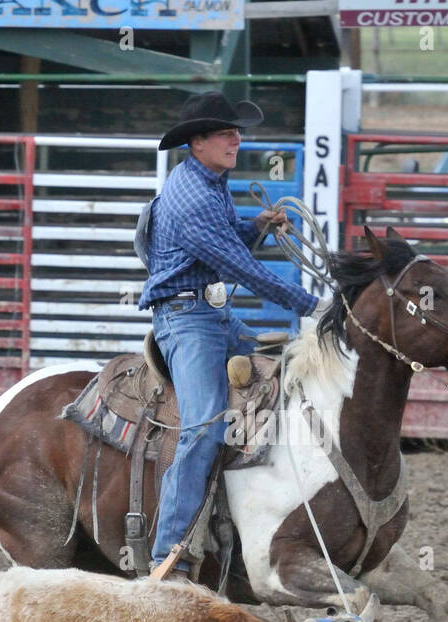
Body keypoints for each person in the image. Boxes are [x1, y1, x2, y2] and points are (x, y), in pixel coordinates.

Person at [138, 92, 330, 579]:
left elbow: (224, 245)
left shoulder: (209, 181)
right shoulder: (194, 197)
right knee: (203, 427)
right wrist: (315, 307)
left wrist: (257, 225)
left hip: (212, 316)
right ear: (198, 142)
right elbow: (237, 266)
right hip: (187, 322)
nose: (236, 140)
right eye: (226, 133)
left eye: (236, 132)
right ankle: (169, 556)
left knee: (287, 374)